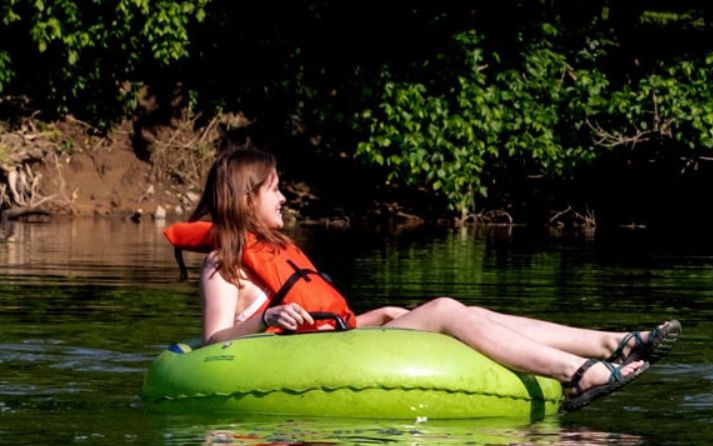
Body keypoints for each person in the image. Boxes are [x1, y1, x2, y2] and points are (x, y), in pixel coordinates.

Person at [165, 147, 680, 411]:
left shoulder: (278, 250)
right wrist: (266, 319)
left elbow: (325, 324)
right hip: (294, 361)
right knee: (446, 308)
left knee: (463, 315)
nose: (284, 198)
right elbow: (215, 341)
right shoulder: (225, 263)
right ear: (247, 196)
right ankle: (576, 373)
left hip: (336, 346)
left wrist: (379, 316)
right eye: (274, 190)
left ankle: (612, 341)